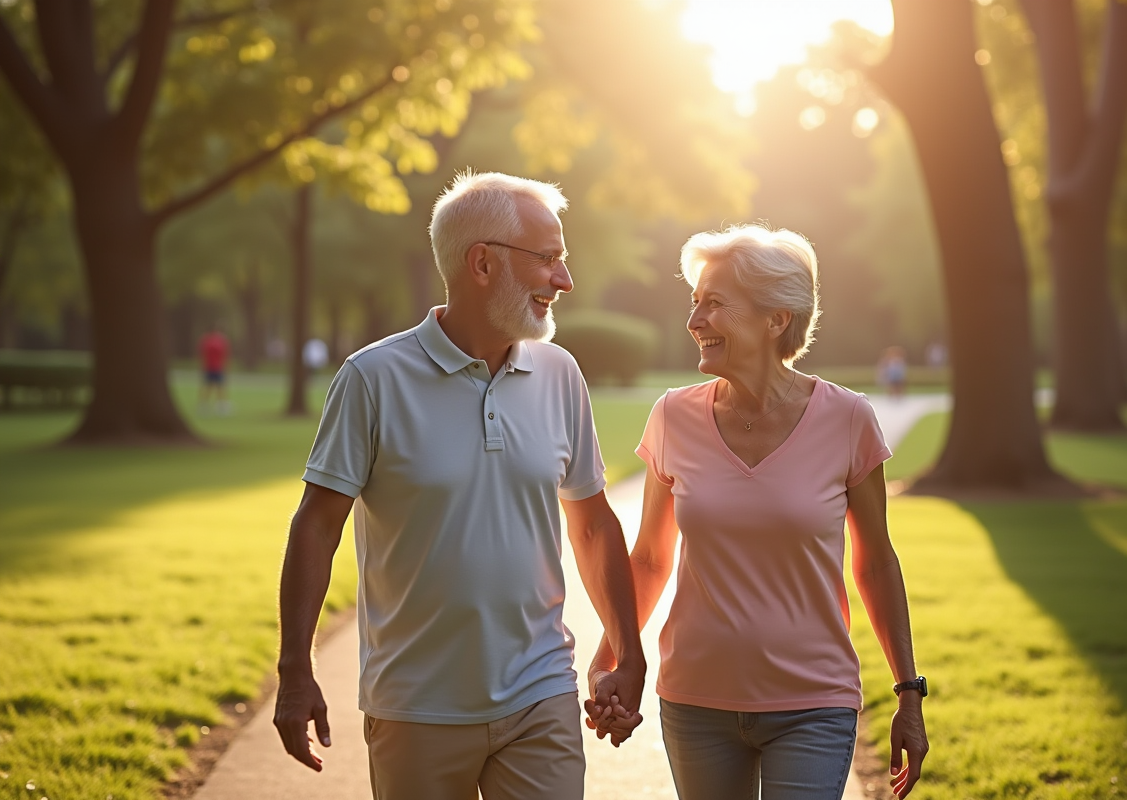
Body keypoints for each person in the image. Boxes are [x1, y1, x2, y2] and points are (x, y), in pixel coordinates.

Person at [272, 171, 646, 800]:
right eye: (548, 259)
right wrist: (293, 670)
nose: (564, 279)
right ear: (482, 264)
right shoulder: (373, 378)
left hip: (540, 693)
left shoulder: (560, 372)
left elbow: (591, 521)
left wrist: (626, 653)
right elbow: (317, 524)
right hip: (415, 706)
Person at [588, 224, 929, 799]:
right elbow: (649, 558)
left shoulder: (849, 420)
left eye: (715, 304)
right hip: (695, 700)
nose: (694, 322)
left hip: (812, 703)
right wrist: (614, 662)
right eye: (695, 303)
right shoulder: (673, 417)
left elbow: (874, 564)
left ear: (777, 319)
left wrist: (908, 695)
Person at [198, 323, 230, 415]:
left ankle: (207, 405)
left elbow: (202, 354)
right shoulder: (220, 341)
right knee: (217, 387)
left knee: (211, 387)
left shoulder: (206, 340)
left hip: (212, 367)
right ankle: (219, 406)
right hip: (215, 367)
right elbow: (224, 355)